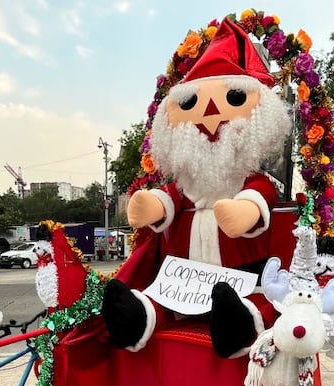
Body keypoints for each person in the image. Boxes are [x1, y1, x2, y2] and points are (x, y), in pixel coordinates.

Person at [101, 18, 292, 358]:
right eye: (189, 104)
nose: (210, 112)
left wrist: (245, 210)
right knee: (160, 301)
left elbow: (258, 199)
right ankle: (138, 319)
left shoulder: (250, 181)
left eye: (232, 97)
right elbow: (169, 199)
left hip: (241, 276)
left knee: (254, 303)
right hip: (182, 280)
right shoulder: (184, 184)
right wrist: (153, 205)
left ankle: (239, 325)